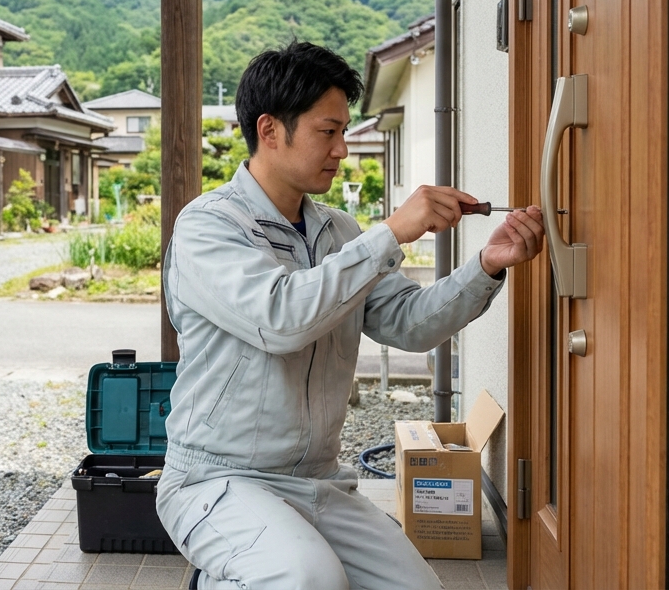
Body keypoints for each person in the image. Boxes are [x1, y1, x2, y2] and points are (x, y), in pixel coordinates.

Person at [156, 42, 545, 590]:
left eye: (344, 132)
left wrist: (485, 266)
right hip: (218, 479)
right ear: (270, 130)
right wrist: (393, 231)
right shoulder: (208, 226)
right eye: (328, 131)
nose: (342, 148)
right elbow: (280, 320)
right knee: (305, 579)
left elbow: (407, 323)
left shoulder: (336, 230)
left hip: (318, 483)